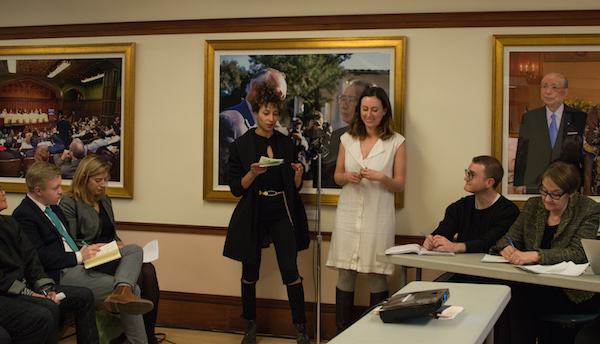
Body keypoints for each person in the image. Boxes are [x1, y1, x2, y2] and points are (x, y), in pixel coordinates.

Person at [12, 161, 154, 344]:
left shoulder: (53, 208)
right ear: (38, 191)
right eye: (55, 188)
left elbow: (67, 241)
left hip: (79, 261)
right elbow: (40, 258)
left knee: (133, 250)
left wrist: (87, 250)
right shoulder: (24, 215)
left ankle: (122, 289)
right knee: (135, 289)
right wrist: (80, 256)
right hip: (61, 273)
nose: (61, 192)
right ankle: (138, 335)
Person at [223, 82, 310, 344]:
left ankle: (300, 328)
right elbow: (236, 189)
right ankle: (250, 326)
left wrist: (298, 175)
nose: (271, 119)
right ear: (256, 113)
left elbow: (294, 189)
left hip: (281, 209)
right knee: (250, 273)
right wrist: (252, 173)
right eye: (265, 113)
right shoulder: (241, 145)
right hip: (254, 211)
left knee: (290, 270)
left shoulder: (286, 144)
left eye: (275, 113)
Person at [490, 161, 600, 343]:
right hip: (535, 284)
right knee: (507, 292)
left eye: (555, 195)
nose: (547, 199)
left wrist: (536, 255)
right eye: (544, 191)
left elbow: (578, 253)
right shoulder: (534, 206)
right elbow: (507, 239)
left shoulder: (588, 210)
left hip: (570, 292)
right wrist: (506, 249)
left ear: (571, 193)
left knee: (516, 296)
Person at [326, 86, 406, 333]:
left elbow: (400, 184)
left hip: (377, 216)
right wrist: (347, 176)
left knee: (376, 272)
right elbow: (337, 176)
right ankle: (342, 332)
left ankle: (376, 335)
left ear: (384, 112)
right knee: (346, 272)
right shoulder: (346, 139)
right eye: (364, 109)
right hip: (348, 214)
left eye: (374, 109)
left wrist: (381, 177)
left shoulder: (396, 142)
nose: (368, 114)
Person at [59, 154, 161, 344]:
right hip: (90, 258)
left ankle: (148, 334)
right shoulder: (69, 202)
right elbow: (72, 242)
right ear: (83, 178)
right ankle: (131, 333)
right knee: (138, 277)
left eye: (105, 180)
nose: (103, 184)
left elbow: (112, 234)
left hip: (111, 254)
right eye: (98, 180)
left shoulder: (104, 201)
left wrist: (119, 245)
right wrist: (102, 248)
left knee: (148, 270)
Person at [0, 185, 99, 344]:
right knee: (46, 311)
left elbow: (32, 259)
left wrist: (46, 289)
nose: (3, 193)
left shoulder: (9, 223)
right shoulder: (23, 214)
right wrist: (32, 294)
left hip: (27, 286)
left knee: (84, 296)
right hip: (7, 293)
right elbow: (3, 281)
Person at [422, 156, 520, 254]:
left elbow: (490, 242)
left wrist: (457, 247)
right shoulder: (460, 207)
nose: (466, 178)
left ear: (489, 182)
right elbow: (443, 231)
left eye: (472, 175)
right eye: (467, 173)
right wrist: (432, 240)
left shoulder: (509, 211)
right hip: (461, 267)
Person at [513, 72, 587, 194]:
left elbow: (583, 154)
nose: (548, 91)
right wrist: (519, 182)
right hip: (536, 182)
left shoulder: (578, 117)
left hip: (568, 182)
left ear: (565, 91)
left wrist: (584, 184)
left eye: (554, 87)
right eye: (544, 86)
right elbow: (522, 152)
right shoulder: (530, 118)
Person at [219, 68, 287, 185]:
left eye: (282, 99)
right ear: (255, 88)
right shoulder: (229, 121)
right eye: (277, 95)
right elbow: (226, 176)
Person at [320, 80, 371, 188]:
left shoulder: (379, 138)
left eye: (351, 100)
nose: (343, 106)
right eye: (342, 99)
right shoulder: (337, 137)